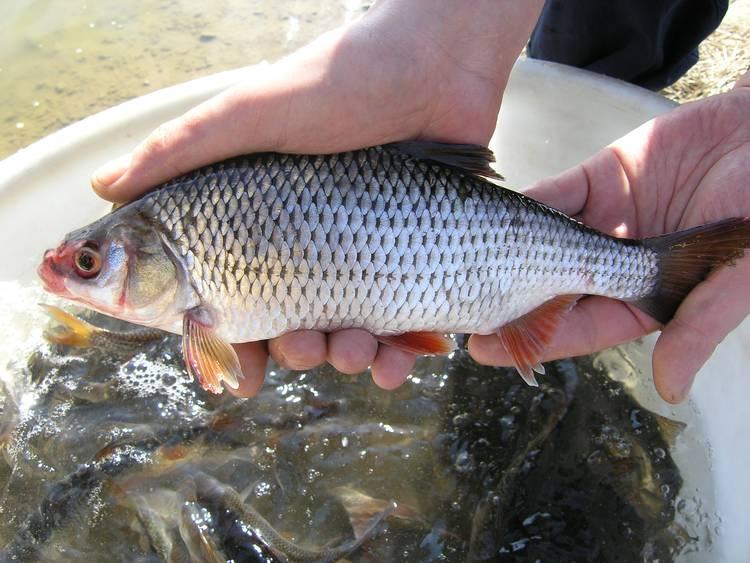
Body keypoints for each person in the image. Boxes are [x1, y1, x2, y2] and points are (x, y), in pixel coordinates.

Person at [89, 0, 750, 404]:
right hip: (469, 238)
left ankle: (651, 272)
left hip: (474, 241)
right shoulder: (193, 247)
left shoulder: (202, 311)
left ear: (151, 250)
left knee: (608, 39)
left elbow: (217, 365)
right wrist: (448, 31)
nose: (75, 273)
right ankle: (649, 266)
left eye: (91, 263)